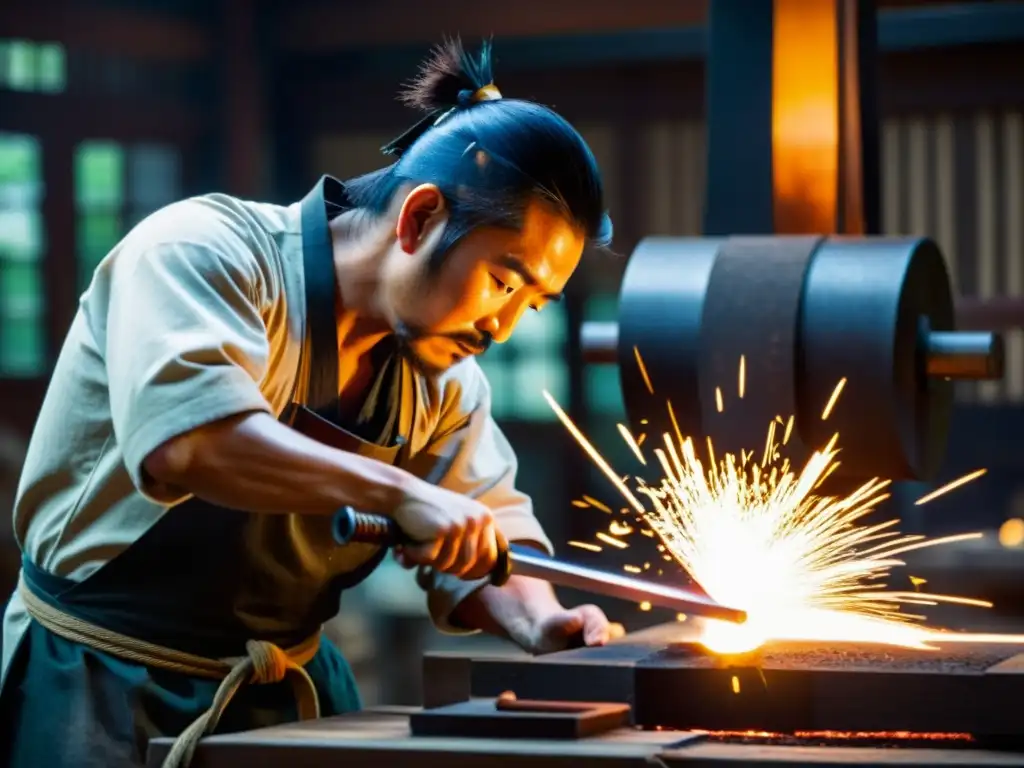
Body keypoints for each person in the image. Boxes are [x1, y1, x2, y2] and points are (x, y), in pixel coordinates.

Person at [0, 38, 625, 768]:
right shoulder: (203, 252)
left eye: (532, 303)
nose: (503, 324)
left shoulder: (445, 378)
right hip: (101, 686)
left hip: (290, 700)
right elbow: (192, 442)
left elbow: (487, 537)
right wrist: (399, 493)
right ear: (420, 218)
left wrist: (542, 621)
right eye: (501, 281)